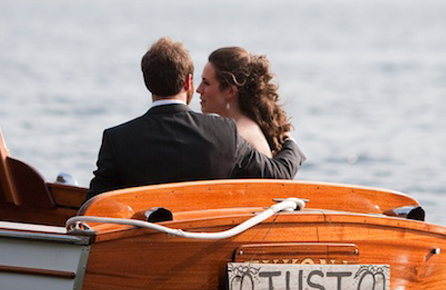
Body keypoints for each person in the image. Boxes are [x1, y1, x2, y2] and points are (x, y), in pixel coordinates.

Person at [85, 37, 305, 201]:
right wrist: (289, 142)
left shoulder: (117, 139)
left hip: (143, 250)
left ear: (147, 82)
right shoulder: (225, 133)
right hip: (207, 246)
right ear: (188, 82)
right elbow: (279, 175)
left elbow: (93, 207)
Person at [197, 47, 291, 158]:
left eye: (206, 83)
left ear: (230, 92)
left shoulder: (239, 137)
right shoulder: (243, 129)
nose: (198, 89)